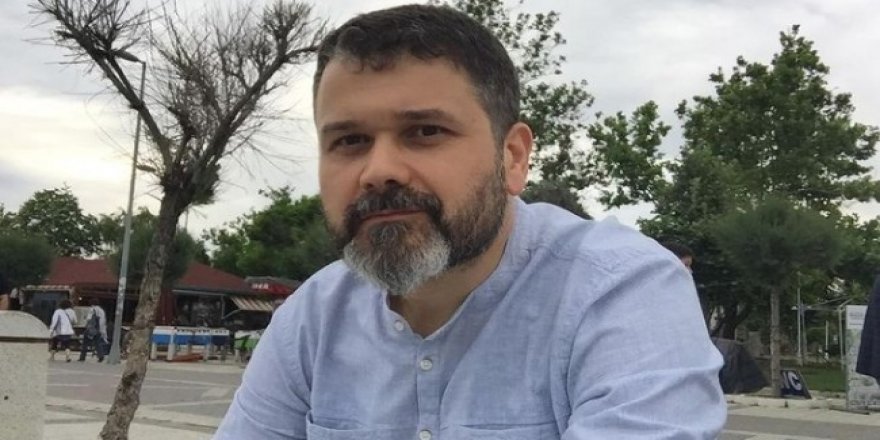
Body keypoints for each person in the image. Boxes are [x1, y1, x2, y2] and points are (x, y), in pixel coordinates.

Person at [214, 5, 725, 439]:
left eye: (425, 131)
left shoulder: (621, 291)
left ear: (513, 157)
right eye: (349, 141)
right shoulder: (311, 322)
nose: (378, 171)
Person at [79, 298, 108, 362]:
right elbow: (103, 320)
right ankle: (101, 356)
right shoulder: (101, 310)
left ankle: (82, 357)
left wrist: (86, 326)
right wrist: (101, 329)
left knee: (85, 343)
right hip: (98, 329)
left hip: (91, 329)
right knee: (98, 343)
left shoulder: (92, 309)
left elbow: (88, 319)